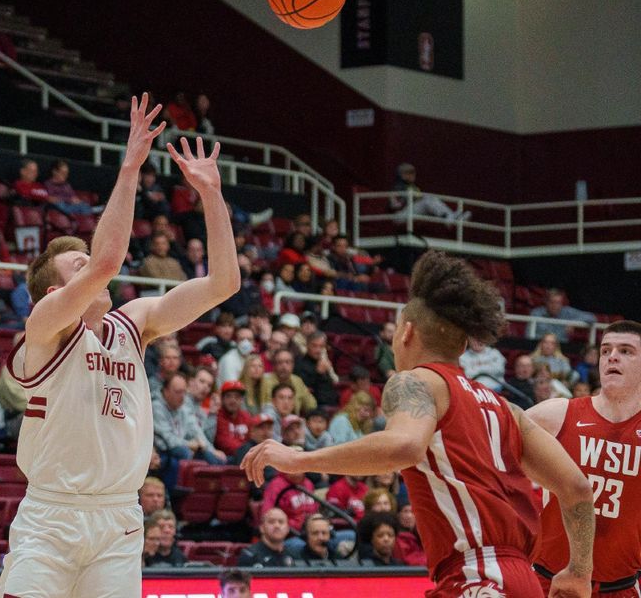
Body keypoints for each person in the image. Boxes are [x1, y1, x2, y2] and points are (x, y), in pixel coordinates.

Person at [242, 250, 595, 597]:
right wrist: (580, 571)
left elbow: (404, 447)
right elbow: (576, 487)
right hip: (521, 580)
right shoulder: (507, 409)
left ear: (407, 332)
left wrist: (299, 459)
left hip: (478, 578)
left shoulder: (415, 381)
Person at [0, 94, 239, 598]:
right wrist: (130, 166)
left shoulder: (134, 323)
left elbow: (223, 285)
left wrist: (212, 196)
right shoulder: (42, 330)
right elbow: (108, 261)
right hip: (51, 517)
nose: (93, 268)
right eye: (76, 266)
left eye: (86, 260)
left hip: (120, 518)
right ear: (53, 293)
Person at [527, 320, 641, 596]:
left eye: (626, 351)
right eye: (605, 350)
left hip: (620, 586)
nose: (612, 356)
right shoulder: (555, 415)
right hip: (550, 582)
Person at [389, 163, 470, 225]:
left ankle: (451, 216)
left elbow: (417, 198)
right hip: (400, 215)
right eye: (409, 173)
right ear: (402, 175)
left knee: (429, 197)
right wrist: (402, 200)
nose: (412, 175)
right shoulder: (397, 188)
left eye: (413, 172)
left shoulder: (413, 187)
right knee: (427, 200)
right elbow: (394, 205)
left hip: (412, 211)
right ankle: (449, 218)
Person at [260, 349, 317, 416]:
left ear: (293, 365)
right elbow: (262, 408)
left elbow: (311, 405)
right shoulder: (264, 381)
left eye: (287, 362)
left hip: (294, 422)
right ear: (274, 366)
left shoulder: (297, 380)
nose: (284, 367)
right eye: (280, 362)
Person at [526, 288, 596, 342]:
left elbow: (592, 317)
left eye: (558, 303)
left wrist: (574, 323)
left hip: (561, 351)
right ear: (546, 302)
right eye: (552, 302)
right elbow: (528, 336)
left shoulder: (567, 312)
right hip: (540, 349)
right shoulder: (536, 313)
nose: (555, 306)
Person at [294, 331, 339, 408]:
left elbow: (331, 387)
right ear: (307, 345)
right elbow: (305, 390)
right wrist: (318, 373)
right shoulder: (299, 363)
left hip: (330, 404)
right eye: (314, 346)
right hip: (313, 407)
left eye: (321, 346)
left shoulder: (324, 362)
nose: (318, 350)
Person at [214, 380, 252, 458]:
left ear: (242, 400)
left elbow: (253, 438)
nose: (233, 400)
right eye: (228, 396)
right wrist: (249, 451)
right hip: (227, 458)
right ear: (222, 399)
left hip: (246, 456)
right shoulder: (217, 416)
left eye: (237, 397)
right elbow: (224, 442)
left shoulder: (246, 416)